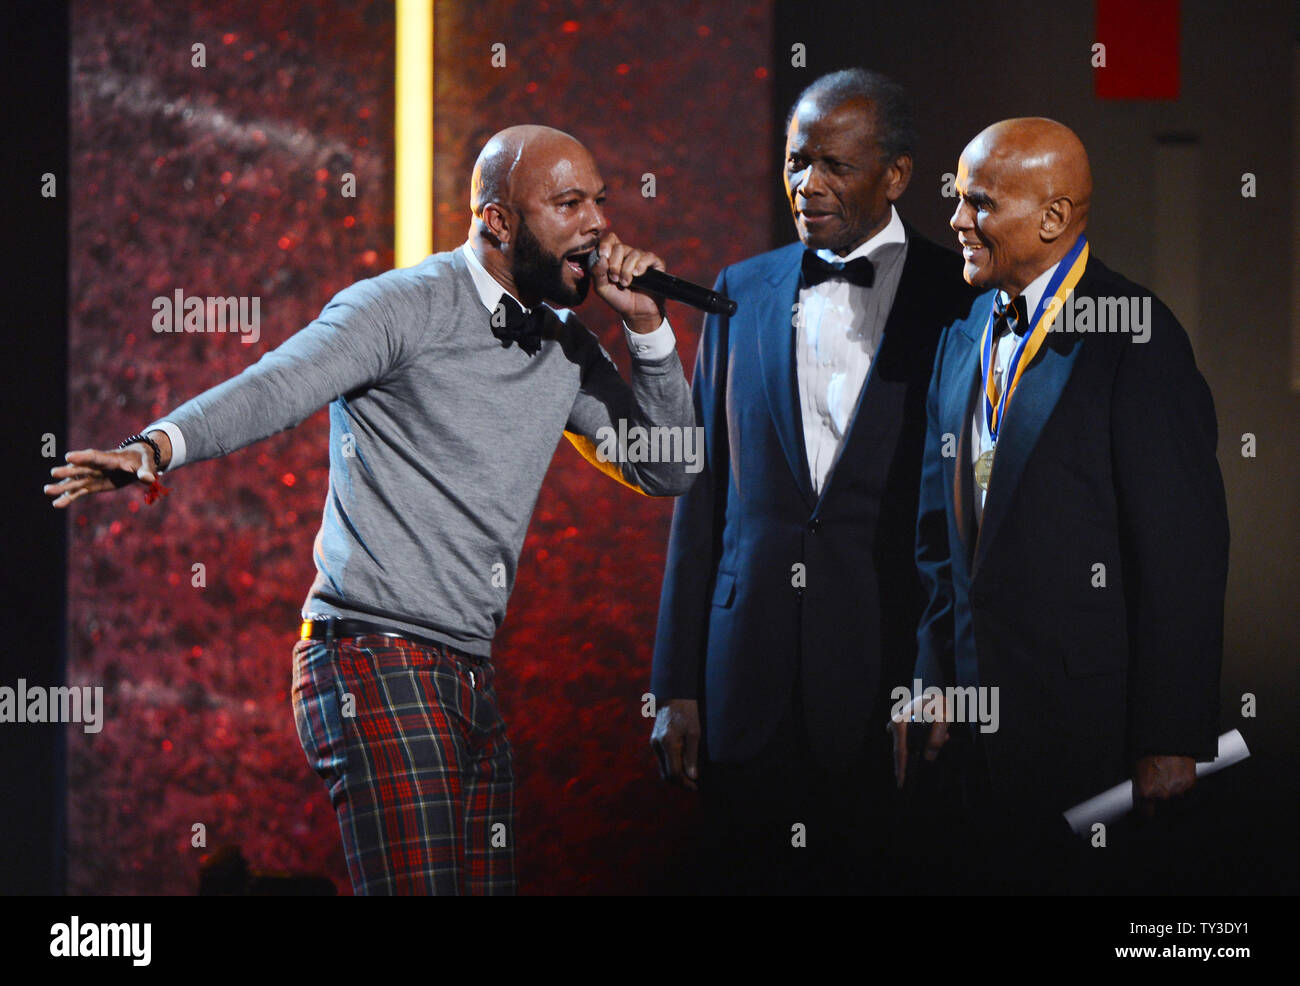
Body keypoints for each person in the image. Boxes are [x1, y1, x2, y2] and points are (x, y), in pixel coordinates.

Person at [45, 125, 697, 895]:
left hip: (468, 672)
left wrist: (648, 331)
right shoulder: (405, 304)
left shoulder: (565, 344)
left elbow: (669, 471)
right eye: (568, 203)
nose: (595, 224)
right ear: (497, 221)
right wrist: (154, 448)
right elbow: (277, 384)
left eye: (598, 202)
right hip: (370, 656)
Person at [649, 69, 975, 893]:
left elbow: (971, 520)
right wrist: (674, 684)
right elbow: (702, 493)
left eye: (834, 164)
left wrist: (942, 680)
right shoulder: (739, 288)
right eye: (796, 162)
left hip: (885, 682)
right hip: (741, 676)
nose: (807, 184)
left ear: (896, 175)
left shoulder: (960, 298)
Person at [892, 118, 1229, 892]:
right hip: (967, 743)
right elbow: (940, 538)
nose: (955, 221)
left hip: (1088, 738)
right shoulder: (963, 327)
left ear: (1052, 218)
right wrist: (930, 675)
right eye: (955, 198)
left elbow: (1183, 555)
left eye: (979, 202)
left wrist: (1171, 736)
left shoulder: (1137, 336)